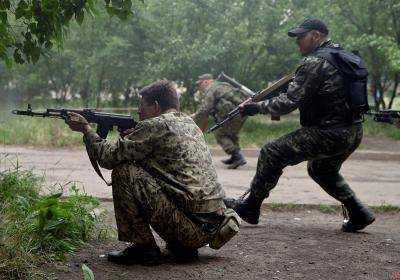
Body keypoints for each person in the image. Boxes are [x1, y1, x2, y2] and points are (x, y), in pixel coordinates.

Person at [66, 80, 239, 266]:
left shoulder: (155, 125)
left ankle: (144, 248)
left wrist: (86, 130)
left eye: (142, 107)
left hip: (189, 230)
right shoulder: (190, 124)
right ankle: (183, 248)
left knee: (124, 171)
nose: (139, 112)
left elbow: (108, 158)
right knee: (140, 169)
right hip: (212, 227)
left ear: (156, 106)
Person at [224, 19, 375, 232]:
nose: (298, 43)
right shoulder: (341, 56)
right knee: (321, 169)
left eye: (300, 38)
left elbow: (288, 102)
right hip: (354, 130)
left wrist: (256, 108)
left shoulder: (314, 62)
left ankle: (250, 207)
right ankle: (359, 213)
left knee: (272, 151)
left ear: (315, 35)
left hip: (328, 132)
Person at [192, 74, 249, 169]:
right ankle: (235, 157)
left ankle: (238, 157)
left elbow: (206, 107)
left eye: (200, 84)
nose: (199, 86)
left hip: (233, 113)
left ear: (206, 81)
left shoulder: (211, 88)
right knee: (231, 134)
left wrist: (195, 115)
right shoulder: (222, 85)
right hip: (242, 111)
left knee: (220, 134)